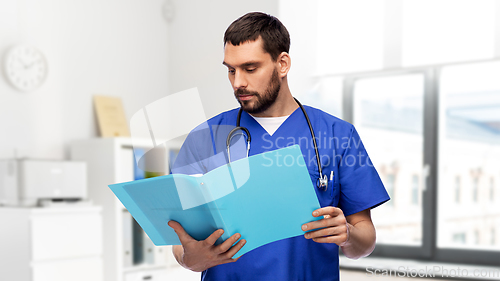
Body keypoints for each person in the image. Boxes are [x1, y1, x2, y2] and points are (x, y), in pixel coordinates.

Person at [167, 12, 390, 281]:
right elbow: (180, 242)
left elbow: (365, 239)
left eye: (250, 69)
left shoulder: (338, 135)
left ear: (282, 64)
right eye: (231, 70)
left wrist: (348, 236)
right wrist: (190, 259)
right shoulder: (206, 137)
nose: (238, 83)